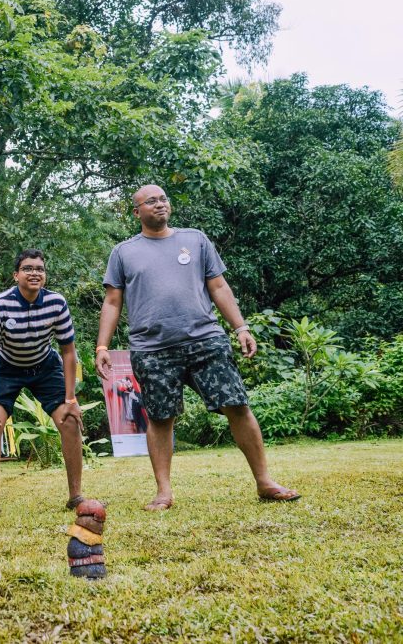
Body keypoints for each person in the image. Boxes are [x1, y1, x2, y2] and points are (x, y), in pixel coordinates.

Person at [95, 184, 301, 511]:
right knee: (161, 418)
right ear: (137, 213)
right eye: (151, 201)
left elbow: (218, 286)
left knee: (236, 404)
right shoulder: (124, 252)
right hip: (152, 348)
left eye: (163, 199)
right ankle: (164, 492)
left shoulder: (195, 240)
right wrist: (102, 345)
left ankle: (264, 481)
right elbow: (112, 301)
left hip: (205, 340)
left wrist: (241, 327)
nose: (160, 204)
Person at [0, 249, 84, 518]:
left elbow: (68, 352)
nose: (34, 273)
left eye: (39, 269)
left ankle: (76, 497)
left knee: (69, 419)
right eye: (28, 268)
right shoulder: (0, 304)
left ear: (45, 275)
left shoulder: (57, 303)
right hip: (7, 366)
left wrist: (70, 399)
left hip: (45, 364)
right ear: (16, 274)